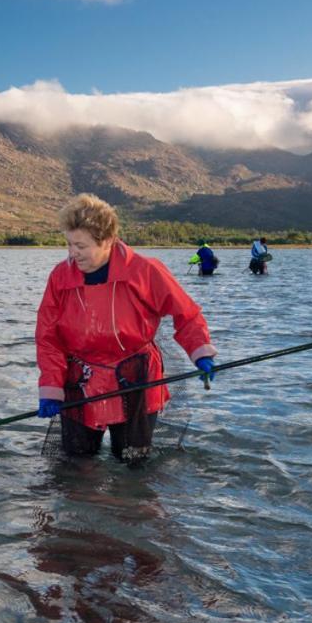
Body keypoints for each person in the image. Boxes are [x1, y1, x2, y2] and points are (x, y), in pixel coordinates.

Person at [35, 195, 218, 465]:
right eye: (69, 244)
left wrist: (200, 351)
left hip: (137, 379)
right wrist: (51, 386)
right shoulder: (60, 277)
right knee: (75, 467)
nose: (72, 253)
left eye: (80, 245)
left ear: (106, 240)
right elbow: (48, 337)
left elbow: (186, 314)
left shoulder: (146, 270)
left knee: (133, 464)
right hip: (81, 383)